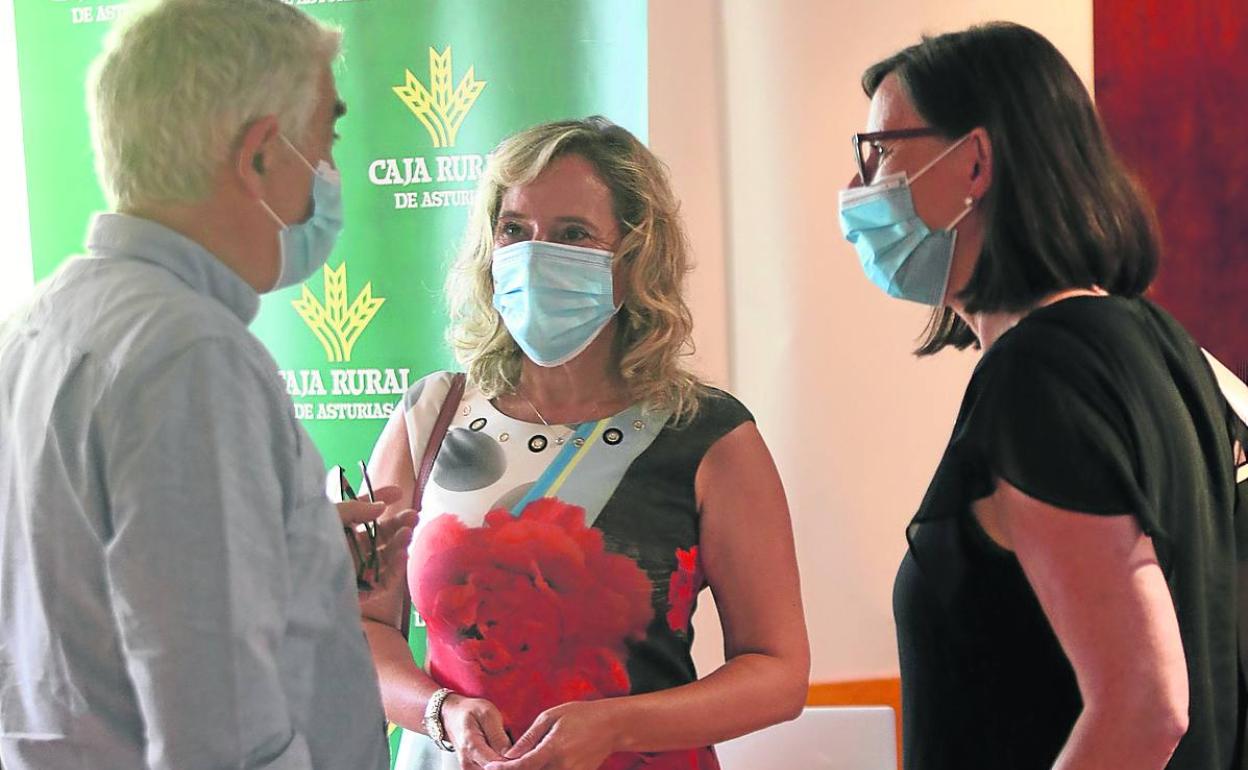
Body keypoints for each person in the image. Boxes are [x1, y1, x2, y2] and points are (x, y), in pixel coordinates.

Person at [0, 1, 414, 767]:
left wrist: (287, 552)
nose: (329, 175)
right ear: (258, 156)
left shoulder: (35, 322)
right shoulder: (190, 355)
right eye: (325, 141)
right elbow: (219, 732)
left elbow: (91, 594)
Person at [838, 22, 1243, 770]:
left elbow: (1146, 706)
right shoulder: (1159, 344)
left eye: (881, 153)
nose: (858, 190)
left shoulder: (1042, 372)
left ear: (975, 162)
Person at [362, 116, 810, 770]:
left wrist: (615, 727)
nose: (534, 253)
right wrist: (441, 712)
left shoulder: (708, 435)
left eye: (573, 234)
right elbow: (365, 628)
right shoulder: (430, 416)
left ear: (634, 258)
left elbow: (778, 672)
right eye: (514, 229)